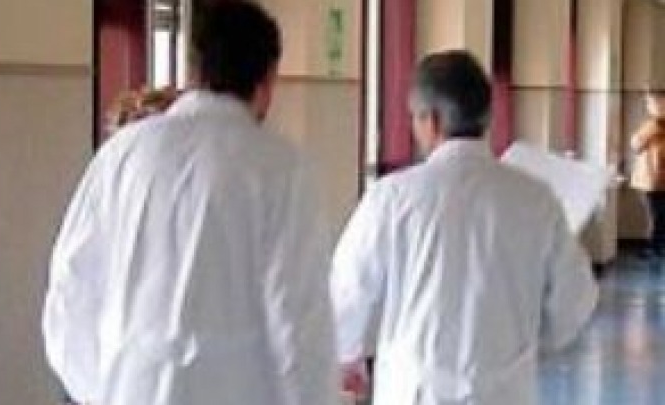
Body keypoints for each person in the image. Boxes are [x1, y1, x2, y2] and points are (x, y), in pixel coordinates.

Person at [42, 2, 340, 405]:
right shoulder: (282, 169)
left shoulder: (122, 155)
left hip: (130, 389)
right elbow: (299, 322)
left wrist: (106, 388)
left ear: (193, 69)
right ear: (268, 80)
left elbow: (70, 291)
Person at [331, 50, 598, 405]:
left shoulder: (390, 199)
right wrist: (526, 342)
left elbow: (348, 298)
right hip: (505, 392)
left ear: (431, 121)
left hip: (416, 391)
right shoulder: (535, 199)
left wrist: (350, 358)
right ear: (486, 117)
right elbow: (574, 301)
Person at [631, 90, 665, 256]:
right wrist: (655, 126)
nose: (650, 106)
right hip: (651, 180)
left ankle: (656, 246)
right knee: (657, 214)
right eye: (649, 103)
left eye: (652, 102)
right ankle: (653, 246)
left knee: (660, 215)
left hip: (658, 178)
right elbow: (636, 145)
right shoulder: (651, 125)